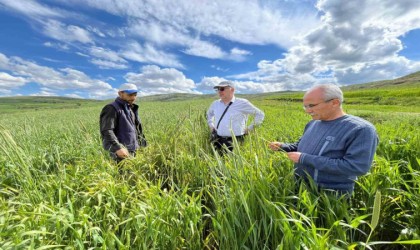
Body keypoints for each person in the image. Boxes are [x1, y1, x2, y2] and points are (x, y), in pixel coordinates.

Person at [268, 84, 378, 195]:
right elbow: (301, 145)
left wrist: (304, 158)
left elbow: (356, 167)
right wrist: (283, 146)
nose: (307, 111)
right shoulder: (312, 123)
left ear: (334, 103)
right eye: (305, 106)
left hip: (330, 197)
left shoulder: (361, 129)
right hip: (300, 189)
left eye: (311, 105)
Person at [207, 81, 265, 153]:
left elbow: (260, 114)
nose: (219, 91)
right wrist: (211, 124)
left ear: (232, 90)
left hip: (235, 141)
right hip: (217, 139)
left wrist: (250, 128)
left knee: (233, 162)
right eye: (218, 89)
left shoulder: (242, 103)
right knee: (216, 160)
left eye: (222, 89)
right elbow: (209, 114)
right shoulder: (215, 103)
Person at [100, 83, 147, 162]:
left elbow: (135, 129)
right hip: (120, 152)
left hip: (133, 149)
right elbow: (107, 130)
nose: (133, 98)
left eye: (135, 95)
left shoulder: (130, 108)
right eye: (130, 95)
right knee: (123, 173)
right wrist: (118, 148)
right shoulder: (111, 108)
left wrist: (141, 144)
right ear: (120, 93)